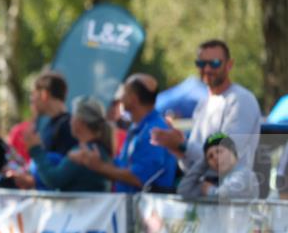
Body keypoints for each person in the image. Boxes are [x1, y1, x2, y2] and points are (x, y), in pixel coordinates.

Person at [152, 39, 262, 178]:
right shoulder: (203, 104)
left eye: (214, 63)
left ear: (229, 65)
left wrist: (183, 146)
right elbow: (191, 166)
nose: (207, 69)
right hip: (205, 193)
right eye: (201, 63)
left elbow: (225, 160)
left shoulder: (240, 100)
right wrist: (177, 146)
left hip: (231, 195)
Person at [71, 74, 177, 193]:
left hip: (146, 209)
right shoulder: (139, 127)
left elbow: (138, 178)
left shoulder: (154, 131)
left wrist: (99, 166)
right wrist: (95, 160)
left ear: (133, 98)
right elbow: (124, 166)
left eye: (124, 93)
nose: (121, 98)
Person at [24, 97, 112, 192]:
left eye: (73, 117)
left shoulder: (83, 154)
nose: (70, 121)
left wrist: (36, 150)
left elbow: (54, 180)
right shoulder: (100, 149)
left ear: (80, 122)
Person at [6, 72, 76, 189]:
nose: (32, 102)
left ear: (44, 95)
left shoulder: (67, 126)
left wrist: (33, 181)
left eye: (33, 96)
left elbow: (63, 171)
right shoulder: (50, 125)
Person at [177, 132, 259, 199]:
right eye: (210, 156)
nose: (215, 157)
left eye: (219, 151)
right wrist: (203, 162)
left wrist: (209, 190)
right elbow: (183, 191)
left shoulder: (245, 174)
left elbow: (226, 195)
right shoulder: (214, 182)